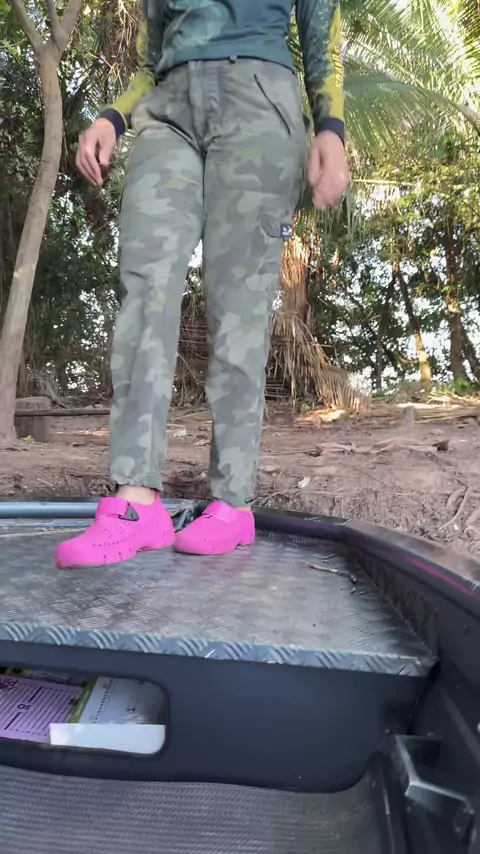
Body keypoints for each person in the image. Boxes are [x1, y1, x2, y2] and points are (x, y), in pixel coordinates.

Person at [56, 0, 348, 568]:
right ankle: (135, 502)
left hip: (259, 102)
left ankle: (232, 503)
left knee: (237, 305)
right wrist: (112, 118)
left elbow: (321, 30)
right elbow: (151, 58)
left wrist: (331, 127)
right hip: (168, 112)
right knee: (144, 282)